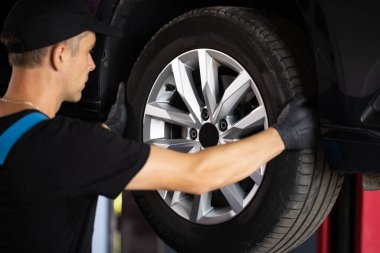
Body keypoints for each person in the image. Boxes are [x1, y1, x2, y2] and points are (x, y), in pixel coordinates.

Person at [0, 0, 318, 252]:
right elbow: (197, 174)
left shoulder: (45, 143)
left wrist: (107, 135)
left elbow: (52, 168)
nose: (92, 64)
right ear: (58, 56)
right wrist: (282, 135)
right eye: (87, 51)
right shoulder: (66, 147)